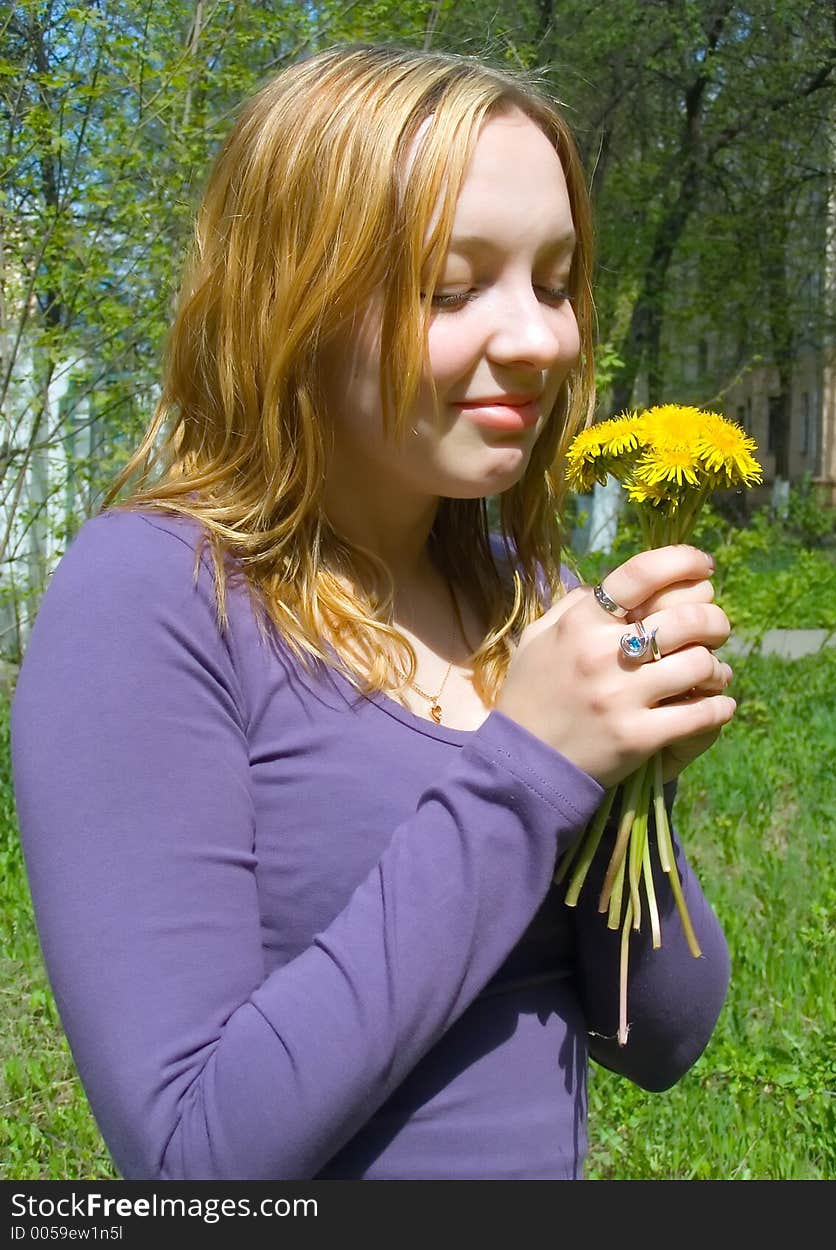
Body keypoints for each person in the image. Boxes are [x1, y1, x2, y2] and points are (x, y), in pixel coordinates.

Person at [10, 42, 736, 1181]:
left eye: (554, 282)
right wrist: (529, 771)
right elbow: (192, 1160)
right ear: (289, 300)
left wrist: (630, 782)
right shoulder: (150, 597)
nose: (541, 338)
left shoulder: (526, 598)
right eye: (452, 288)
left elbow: (665, 1036)